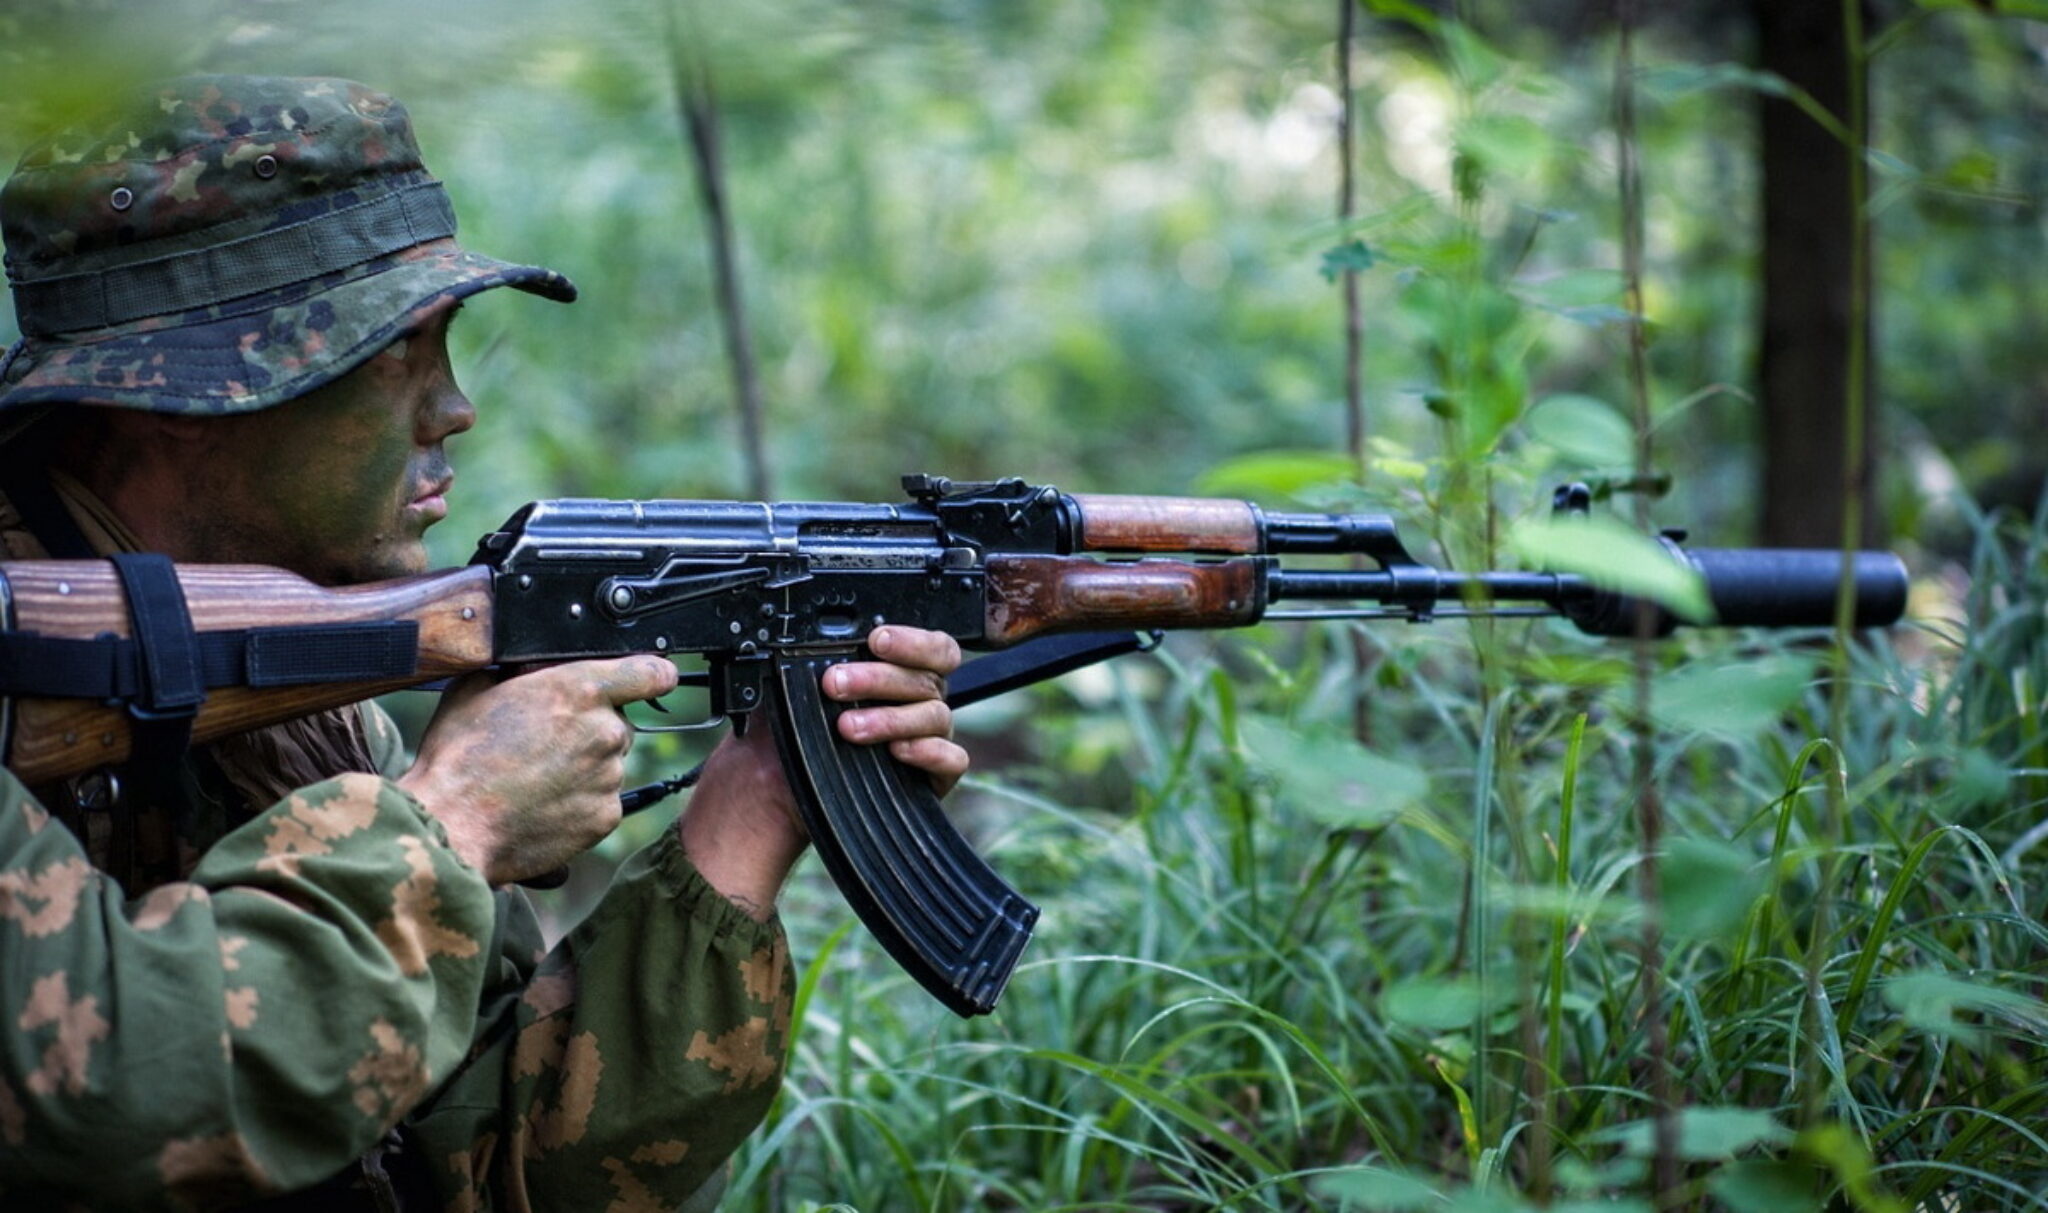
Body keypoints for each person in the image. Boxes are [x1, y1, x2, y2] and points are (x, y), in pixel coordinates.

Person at [0, 74, 967, 1210]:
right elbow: (115, 1110)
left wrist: (753, 806)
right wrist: (453, 821)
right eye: (394, 354)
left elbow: (481, 1165)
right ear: (183, 393)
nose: (453, 407)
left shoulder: (295, 692)